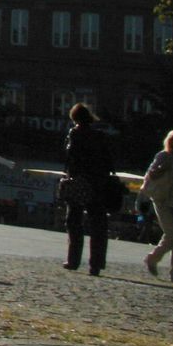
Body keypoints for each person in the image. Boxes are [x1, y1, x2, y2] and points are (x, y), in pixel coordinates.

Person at [61, 103, 119, 275]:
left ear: (74, 118)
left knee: (74, 221)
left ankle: (73, 260)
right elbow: (109, 159)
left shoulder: (75, 134)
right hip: (98, 183)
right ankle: (96, 264)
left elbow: (70, 157)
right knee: (98, 224)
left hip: (79, 182)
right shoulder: (100, 135)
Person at [140, 129, 173, 283]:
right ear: (171, 141)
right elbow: (151, 174)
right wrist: (164, 167)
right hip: (162, 199)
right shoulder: (163, 156)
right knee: (172, 234)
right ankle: (152, 258)